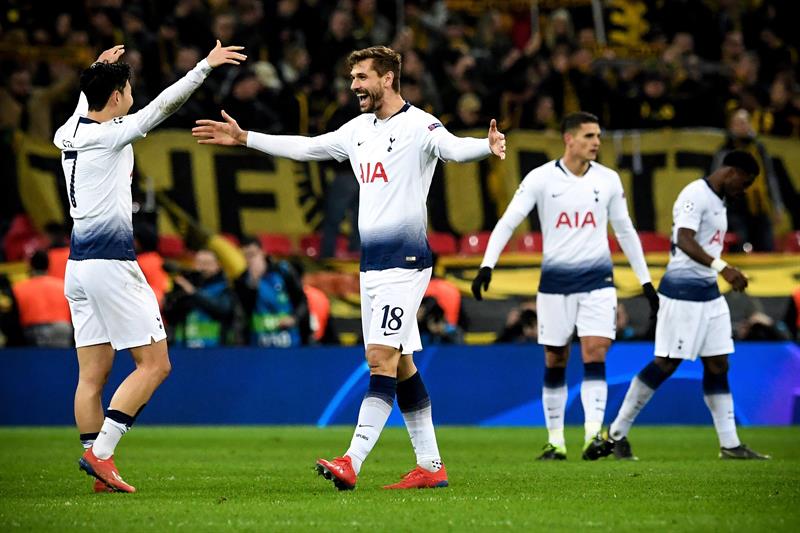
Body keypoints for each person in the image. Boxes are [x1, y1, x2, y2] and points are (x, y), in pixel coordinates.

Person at [193, 45, 505, 490]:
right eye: (353, 78)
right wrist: (246, 139)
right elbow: (306, 148)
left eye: (362, 77)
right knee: (401, 365)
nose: (354, 85)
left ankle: (351, 461)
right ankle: (431, 467)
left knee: (379, 358)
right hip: (372, 264)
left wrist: (485, 146)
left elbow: (451, 149)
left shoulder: (420, 126)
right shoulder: (357, 130)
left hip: (406, 261)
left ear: (388, 79)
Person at [52, 42, 246, 493]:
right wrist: (203, 66)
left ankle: (100, 468)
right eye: (127, 87)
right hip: (111, 264)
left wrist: (98, 71)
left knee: (91, 377)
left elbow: (89, 98)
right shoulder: (110, 134)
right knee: (156, 364)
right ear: (118, 95)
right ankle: (100, 455)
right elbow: (164, 104)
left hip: (77, 267)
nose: (132, 93)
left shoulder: (69, 131)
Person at [471, 112, 658, 461]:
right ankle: (555, 442)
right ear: (569, 139)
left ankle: (592, 438)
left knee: (595, 352)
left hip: (597, 282)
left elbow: (626, 231)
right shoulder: (541, 179)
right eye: (589, 136)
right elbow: (509, 221)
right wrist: (486, 265)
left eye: (598, 136)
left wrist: (646, 281)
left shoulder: (609, 180)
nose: (596, 142)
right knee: (555, 357)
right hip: (555, 284)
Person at [604, 150, 771, 461]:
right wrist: (724, 267)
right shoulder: (695, 194)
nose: (743, 190)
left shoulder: (718, 201)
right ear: (732, 172)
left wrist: (719, 271)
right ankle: (617, 433)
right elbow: (683, 238)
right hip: (681, 293)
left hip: (708, 294)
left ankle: (730, 444)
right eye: (744, 183)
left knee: (718, 363)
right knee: (666, 363)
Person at [712, 108, 784, 252]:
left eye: (744, 123)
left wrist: (777, 206)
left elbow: (770, 178)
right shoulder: (725, 151)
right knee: (740, 248)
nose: (742, 127)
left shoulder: (759, 149)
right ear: (731, 127)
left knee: (766, 248)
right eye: (737, 123)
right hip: (735, 209)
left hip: (759, 207)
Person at [234, 237, 309, 348]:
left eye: (253, 254)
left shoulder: (283, 271)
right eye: (246, 256)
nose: (250, 260)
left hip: (289, 340)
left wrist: (294, 318)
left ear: (262, 252)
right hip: (258, 344)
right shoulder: (242, 281)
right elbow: (243, 312)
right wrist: (253, 284)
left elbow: (302, 301)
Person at [163, 248, 239, 348]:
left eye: (207, 263)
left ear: (217, 265)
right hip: (183, 349)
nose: (203, 267)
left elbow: (222, 309)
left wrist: (193, 293)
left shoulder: (224, 289)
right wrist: (176, 294)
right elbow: (170, 315)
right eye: (199, 263)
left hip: (214, 349)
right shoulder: (185, 286)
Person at [12, 250, 73, 347]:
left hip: (34, 332)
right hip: (62, 330)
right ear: (48, 266)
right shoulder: (63, 286)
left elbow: (13, 319)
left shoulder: (18, 288)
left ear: (30, 266)